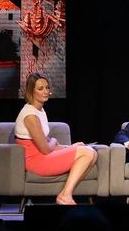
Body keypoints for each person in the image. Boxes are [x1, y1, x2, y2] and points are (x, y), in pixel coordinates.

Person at [14, 72, 97, 205]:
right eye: (40, 89)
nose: (46, 91)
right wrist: (53, 141)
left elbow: (46, 145)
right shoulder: (30, 115)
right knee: (87, 152)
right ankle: (65, 196)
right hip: (35, 161)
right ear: (31, 91)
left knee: (93, 154)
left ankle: (66, 193)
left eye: (47, 87)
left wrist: (70, 147)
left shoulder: (40, 110)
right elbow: (46, 149)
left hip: (42, 155)